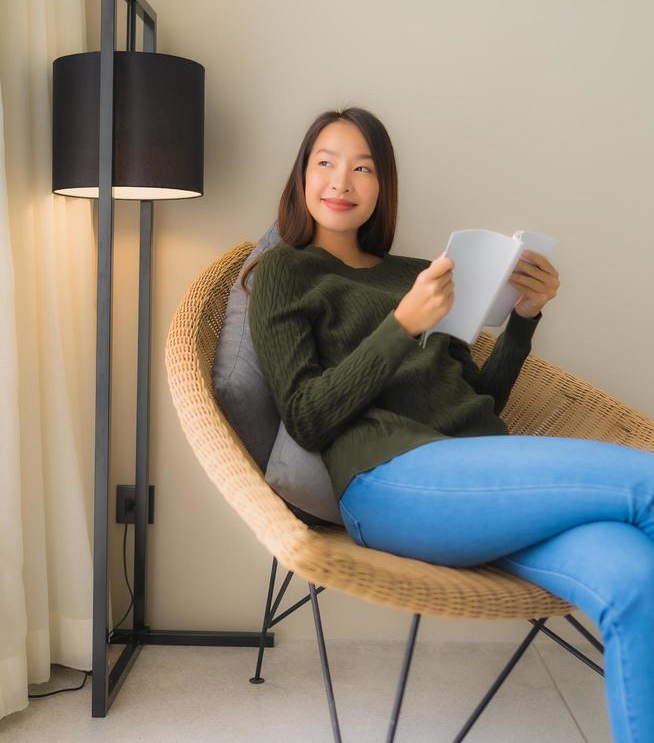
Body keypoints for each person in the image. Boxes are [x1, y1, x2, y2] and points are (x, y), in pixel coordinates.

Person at [243, 106, 653, 743]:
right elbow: (307, 414)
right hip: (389, 483)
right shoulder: (285, 273)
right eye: (324, 163)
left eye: (362, 168)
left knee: (635, 581)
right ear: (301, 177)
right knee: (647, 483)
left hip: (480, 481)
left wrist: (523, 317)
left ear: (383, 187)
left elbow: (475, 399)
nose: (341, 182)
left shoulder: (418, 274)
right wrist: (401, 326)